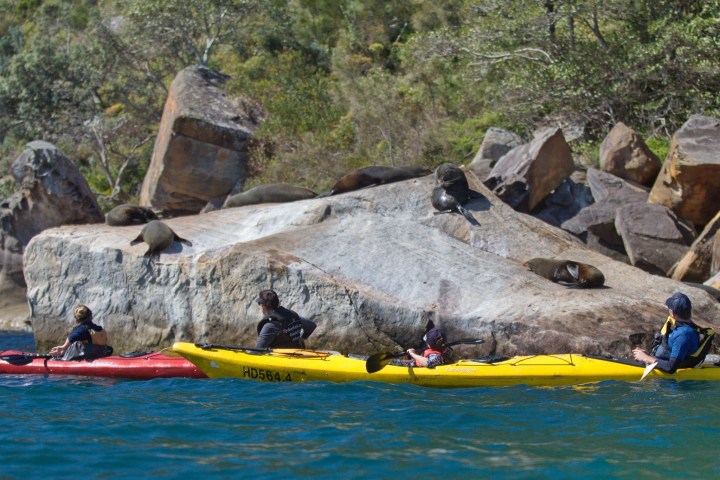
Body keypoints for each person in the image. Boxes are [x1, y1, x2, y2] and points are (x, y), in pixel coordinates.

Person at [632, 292, 713, 373]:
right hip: (660, 364)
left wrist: (646, 358)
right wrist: (648, 355)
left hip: (671, 380)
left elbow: (670, 368)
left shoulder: (683, 335)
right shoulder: (682, 328)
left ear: (673, 313)